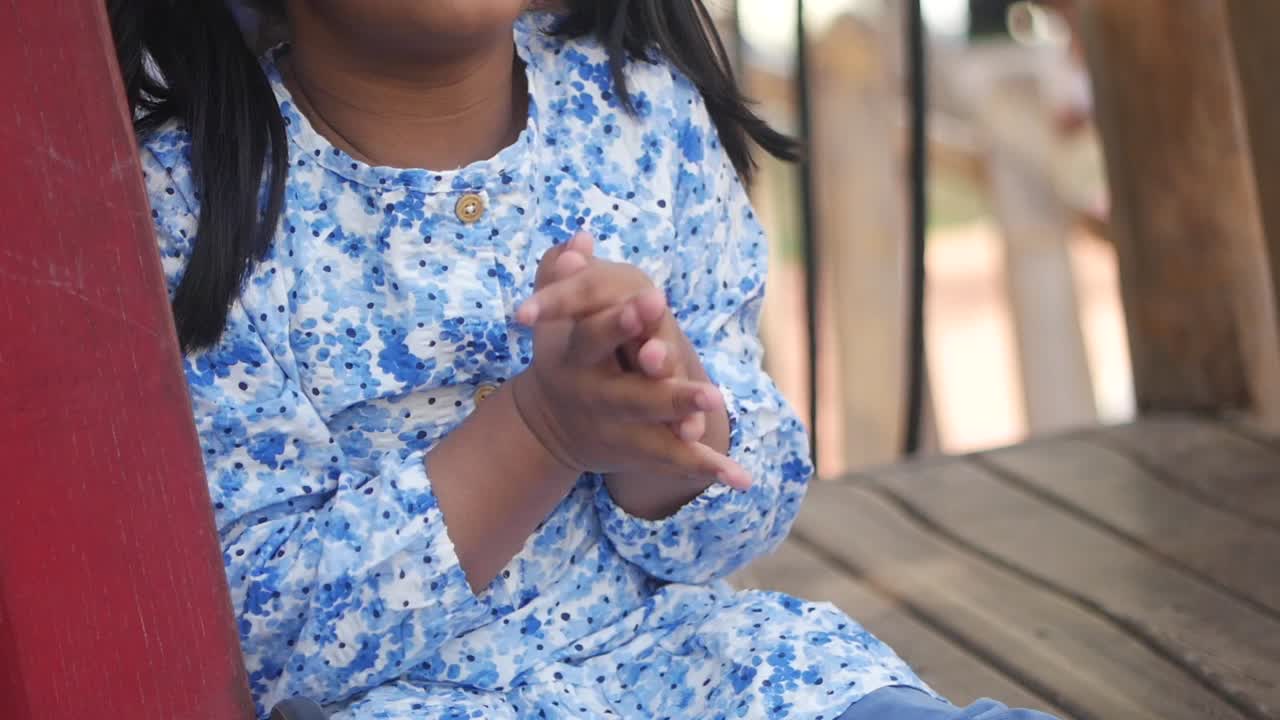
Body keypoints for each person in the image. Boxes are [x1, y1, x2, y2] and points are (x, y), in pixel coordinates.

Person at [109, 1, 1060, 718]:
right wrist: (540, 433)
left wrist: (668, 427)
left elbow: (746, 513)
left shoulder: (643, 116)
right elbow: (263, 636)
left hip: (693, 669)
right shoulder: (185, 198)